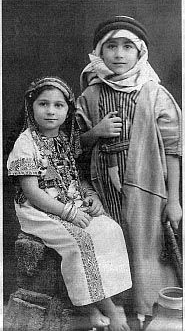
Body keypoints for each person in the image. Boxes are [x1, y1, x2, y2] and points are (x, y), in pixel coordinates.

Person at [76, 16, 182, 318]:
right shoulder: (91, 95)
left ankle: (150, 313)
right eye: (111, 46)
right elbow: (71, 145)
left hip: (147, 188)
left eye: (127, 47)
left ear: (140, 52)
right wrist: (95, 132)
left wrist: (173, 199)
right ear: (100, 51)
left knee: (145, 248)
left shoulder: (153, 92)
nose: (119, 54)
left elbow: (174, 148)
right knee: (111, 246)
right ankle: (115, 314)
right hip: (100, 189)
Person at [7, 76, 132, 331]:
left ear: (68, 110)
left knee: (111, 230)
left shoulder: (64, 140)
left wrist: (92, 197)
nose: (51, 111)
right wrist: (69, 213)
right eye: (43, 104)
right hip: (39, 209)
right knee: (80, 243)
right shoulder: (25, 143)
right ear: (32, 107)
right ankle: (100, 308)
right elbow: (31, 191)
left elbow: (75, 177)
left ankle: (107, 301)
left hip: (70, 199)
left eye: (58, 105)